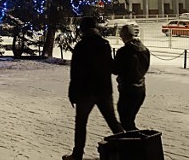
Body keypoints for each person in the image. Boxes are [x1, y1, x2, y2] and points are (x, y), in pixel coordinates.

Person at [63, 16, 124, 160]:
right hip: (103, 90)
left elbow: (75, 72)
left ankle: (77, 154)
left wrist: (72, 93)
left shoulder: (81, 46)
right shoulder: (104, 44)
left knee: (81, 123)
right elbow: (111, 66)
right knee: (113, 121)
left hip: (85, 91)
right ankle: (128, 149)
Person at [112, 24, 150, 131]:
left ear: (124, 36)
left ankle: (136, 144)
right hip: (141, 89)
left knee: (126, 121)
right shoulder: (144, 50)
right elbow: (145, 67)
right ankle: (136, 143)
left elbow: (115, 69)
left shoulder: (123, 52)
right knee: (130, 120)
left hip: (128, 90)